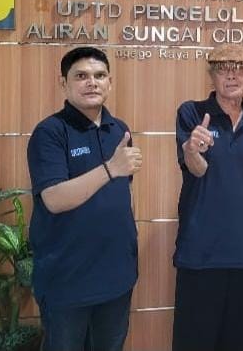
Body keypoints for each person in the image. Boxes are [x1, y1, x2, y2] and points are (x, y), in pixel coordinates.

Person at [27, 46, 142, 351]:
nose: (92, 82)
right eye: (81, 76)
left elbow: (126, 193)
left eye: (100, 75)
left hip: (116, 277)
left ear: (110, 83)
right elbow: (53, 199)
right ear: (63, 83)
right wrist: (111, 168)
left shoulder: (120, 130)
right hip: (68, 281)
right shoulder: (50, 132)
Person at [172, 44, 243, 351]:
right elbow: (196, 168)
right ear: (211, 75)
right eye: (223, 69)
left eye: (240, 69)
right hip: (201, 252)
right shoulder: (192, 112)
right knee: (194, 341)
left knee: (238, 342)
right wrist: (192, 149)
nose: (232, 76)